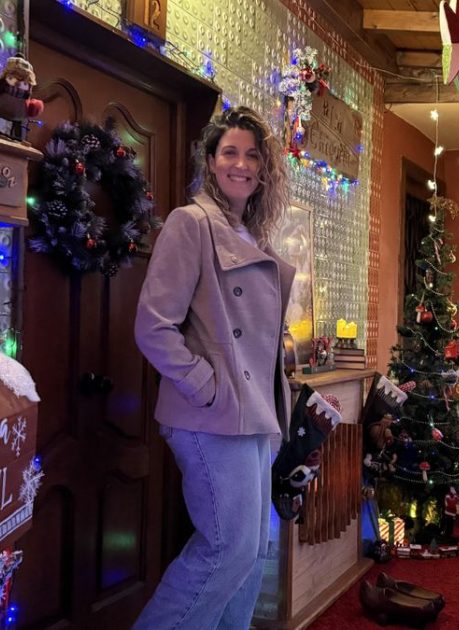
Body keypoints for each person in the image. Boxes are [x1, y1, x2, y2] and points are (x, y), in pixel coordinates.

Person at [133, 106, 295, 630]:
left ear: (264, 169)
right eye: (230, 152)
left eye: (252, 155)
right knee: (225, 550)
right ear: (210, 160)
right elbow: (154, 326)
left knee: (249, 557)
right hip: (211, 416)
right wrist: (209, 386)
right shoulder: (192, 223)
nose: (241, 164)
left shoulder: (252, 236)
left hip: (255, 417)